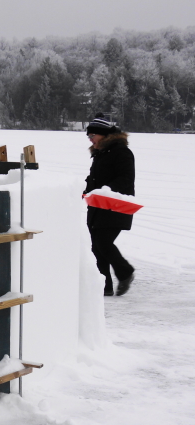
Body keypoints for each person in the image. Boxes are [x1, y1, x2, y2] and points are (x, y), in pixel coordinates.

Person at [83, 113, 136, 296]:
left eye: (92, 135)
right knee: (96, 246)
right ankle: (103, 286)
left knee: (103, 242)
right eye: (89, 136)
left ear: (104, 135)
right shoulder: (100, 153)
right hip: (98, 205)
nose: (90, 139)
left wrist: (105, 190)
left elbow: (126, 179)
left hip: (116, 206)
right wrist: (83, 189)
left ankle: (125, 272)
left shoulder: (121, 152)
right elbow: (94, 179)